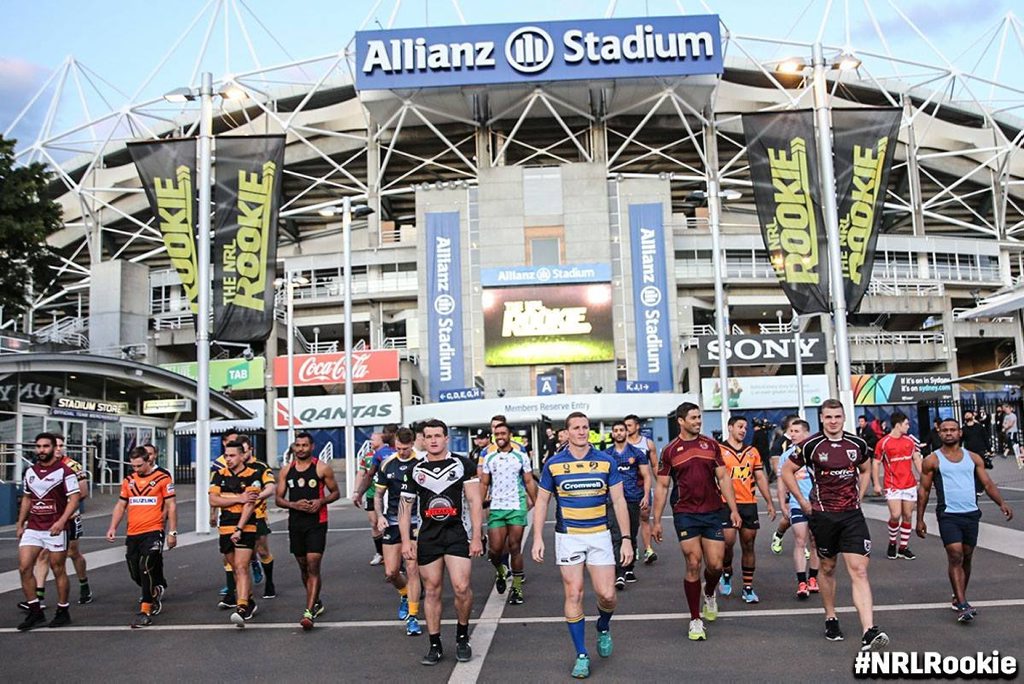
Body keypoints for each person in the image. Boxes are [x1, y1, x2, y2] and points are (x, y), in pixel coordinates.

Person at [780, 399, 889, 651]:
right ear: (822, 418)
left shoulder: (857, 444)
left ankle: (868, 630)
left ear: (843, 418)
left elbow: (865, 468)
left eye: (837, 416)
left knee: (859, 570)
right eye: (828, 417)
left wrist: (860, 496)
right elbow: (787, 471)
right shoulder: (811, 445)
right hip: (823, 515)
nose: (833, 421)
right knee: (827, 569)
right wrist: (802, 502)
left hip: (851, 516)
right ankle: (831, 617)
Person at [532, 412, 633, 679]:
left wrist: (626, 539)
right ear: (566, 432)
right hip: (568, 537)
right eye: (576, 428)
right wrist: (538, 538)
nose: (581, 431)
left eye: (585, 427)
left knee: (607, 595)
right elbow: (542, 502)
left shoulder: (605, 461)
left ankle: (602, 625)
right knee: (574, 594)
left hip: (600, 535)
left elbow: (620, 502)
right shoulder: (553, 464)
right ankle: (581, 654)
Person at [652, 403, 740, 642]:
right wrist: (656, 520)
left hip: (713, 512)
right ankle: (695, 619)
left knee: (715, 565)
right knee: (693, 563)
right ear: (681, 421)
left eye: (699, 417)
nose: (698, 421)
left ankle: (709, 593)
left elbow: (723, 477)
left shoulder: (711, 445)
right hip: (685, 513)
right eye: (693, 418)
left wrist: (733, 509)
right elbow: (661, 486)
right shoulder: (670, 451)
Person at [399, 419, 483, 666]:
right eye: (429, 436)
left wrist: (477, 536)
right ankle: (434, 644)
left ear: (447, 438)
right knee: (433, 589)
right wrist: (406, 541)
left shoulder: (463, 464)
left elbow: (475, 502)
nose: (434, 440)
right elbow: (405, 508)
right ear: (422, 440)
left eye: (438, 435)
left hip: (457, 534)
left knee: (461, 587)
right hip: (428, 537)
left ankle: (462, 637)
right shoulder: (414, 469)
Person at [916, 418, 1014, 623]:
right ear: (939, 433)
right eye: (945, 430)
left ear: (960, 433)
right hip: (948, 515)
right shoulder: (932, 460)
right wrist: (920, 519)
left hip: (970, 513)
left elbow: (987, 483)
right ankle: (962, 603)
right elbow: (924, 490)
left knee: (967, 556)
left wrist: (1001, 503)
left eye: (953, 430)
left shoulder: (973, 458)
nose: (949, 433)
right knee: (955, 555)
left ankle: (958, 595)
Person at [105, 446, 177, 628]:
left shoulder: (162, 478)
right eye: (133, 466)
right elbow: (121, 505)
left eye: (139, 466)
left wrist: (172, 532)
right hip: (133, 532)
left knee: (146, 566)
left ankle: (145, 609)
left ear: (148, 461)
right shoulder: (129, 481)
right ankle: (153, 590)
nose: (136, 469)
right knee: (135, 571)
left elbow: (171, 505)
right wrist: (113, 527)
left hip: (153, 530)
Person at [16, 433, 82, 631]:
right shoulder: (30, 472)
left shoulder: (65, 472)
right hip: (34, 527)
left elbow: (75, 498)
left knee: (57, 568)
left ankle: (63, 610)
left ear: (54, 448)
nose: (41, 450)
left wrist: (62, 521)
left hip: (55, 528)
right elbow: (27, 498)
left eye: (45, 446)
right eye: (38, 446)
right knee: (24, 568)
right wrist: (21, 523)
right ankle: (36, 611)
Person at [276, 431, 340, 630]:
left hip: (317, 522)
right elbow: (278, 499)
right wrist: (294, 505)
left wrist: (321, 501)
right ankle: (316, 601)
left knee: (313, 564)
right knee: (303, 565)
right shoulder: (287, 470)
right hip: (296, 523)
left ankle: (308, 611)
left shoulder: (322, 468)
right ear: (294, 447)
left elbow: (336, 492)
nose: (301, 449)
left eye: (305, 445)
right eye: (298, 445)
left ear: (312, 447)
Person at [209, 440, 273, 627]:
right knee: (234, 568)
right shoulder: (219, 475)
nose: (228, 459)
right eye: (226, 455)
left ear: (242, 455)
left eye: (232, 455)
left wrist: (239, 528)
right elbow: (213, 499)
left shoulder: (253, 474)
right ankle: (250, 601)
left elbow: (249, 504)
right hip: (225, 526)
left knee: (242, 565)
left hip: (246, 526)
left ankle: (242, 607)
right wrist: (238, 498)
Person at [26, 433, 92, 611]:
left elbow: (82, 492)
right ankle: (38, 596)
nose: (59, 448)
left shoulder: (72, 466)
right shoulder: (39, 467)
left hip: (69, 516)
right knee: (42, 555)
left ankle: (84, 583)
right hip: (46, 519)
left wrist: (66, 508)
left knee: (72, 552)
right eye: (57, 445)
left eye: (61, 445)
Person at [718, 416, 776, 603]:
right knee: (727, 542)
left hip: (748, 503)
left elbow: (760, 478)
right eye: (740, 426)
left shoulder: (752, 452)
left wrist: (769, 501)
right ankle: (726, 572)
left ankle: (748, 587)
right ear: (730, 428)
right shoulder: (719, 450)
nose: (743, 430)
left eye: (745, 427)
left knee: (748, 545)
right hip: (725, 503)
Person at [374, 427, 424, 634]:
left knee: (412, 568)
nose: (402, 452)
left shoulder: (421, 463)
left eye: (405, 448)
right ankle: (404, 594)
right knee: (391, 572)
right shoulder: (387, 464)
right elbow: (378, 495)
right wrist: (380, 516)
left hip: (414, 521)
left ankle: (413, 617)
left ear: (412, 443)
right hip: (393, 519)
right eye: (398, 448)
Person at [480, 422, 536, 605]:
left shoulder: (520, 456)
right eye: (497, 434)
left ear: (510, 435)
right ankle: (501, 570)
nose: (500, 437)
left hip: (516, 506)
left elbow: (528, 481)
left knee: (514, 547)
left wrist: (536, 502)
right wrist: (479, 504)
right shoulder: (489, 458)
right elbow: (484, 483)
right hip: (497, 507)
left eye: (503, 433)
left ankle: (517, 589)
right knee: (494, 550)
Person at [775, 419, 819, 599]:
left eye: (796, 431)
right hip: (796, 503)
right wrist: (782, 504)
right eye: (790, 431)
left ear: (806, 433)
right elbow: (781, 482)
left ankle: (813, 578)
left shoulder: (815, 452)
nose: (792, 434)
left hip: (817, 504)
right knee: (800, 540)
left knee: (815, 542)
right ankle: (802, 582)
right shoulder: (786, 456)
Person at [605, 420, 651, 589]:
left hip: (632, 499)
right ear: (612, 434)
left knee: (630, 534)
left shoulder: (636, 453)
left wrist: (646, 495)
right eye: (615, 430)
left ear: (626, 432)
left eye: (621, 430)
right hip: (612, 500)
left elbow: (646, 475)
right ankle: (620, 573)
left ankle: (629, 567)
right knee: (617, 535)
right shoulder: (606, 454)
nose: (618, 433)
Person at [872, 412, 923, 561]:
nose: (908, 426)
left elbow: (916, 459)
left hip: (909, 484)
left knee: (907, 515)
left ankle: (903, 547)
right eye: (906, 424)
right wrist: (876, 483)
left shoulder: (910, 441)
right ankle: (892, 542)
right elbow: (876, 463)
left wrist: (924, 477)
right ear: (898, 425)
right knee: (895, 514)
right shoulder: (883, 443)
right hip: (892, 484)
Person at [238, 435, 277, 598]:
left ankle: (270, 582)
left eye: (243, 451)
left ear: (250, 450)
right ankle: (241, 593)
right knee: (239, 554)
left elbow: (270, 487)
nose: (241, 455)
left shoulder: (260, 467)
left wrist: (258, 496)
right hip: (235, 516)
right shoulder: (231, 468)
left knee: (262, 550)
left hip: (257, 515)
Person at [352, 429, 396, 565]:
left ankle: (393, 557)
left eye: (374, 439)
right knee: (374, 523)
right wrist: (356, 492)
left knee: (390, 524)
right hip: (371, 493)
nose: (371, 442)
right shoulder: (368, 456)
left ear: (382, 440)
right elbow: (362, 474)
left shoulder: (392, 453)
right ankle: (380, 553)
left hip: (387, 494)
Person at [624, 414, 659, 566]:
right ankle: (632, 548)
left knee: (644, 517)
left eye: (629, 426)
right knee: (628, 521)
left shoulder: (647, 443)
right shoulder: (622, 445)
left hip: (642, 486)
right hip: (626, 489)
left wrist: (661, 484)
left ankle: (648, 549)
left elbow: (655, 465)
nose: (626, 429)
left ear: (637, 426)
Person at [768, 414, 801, 554]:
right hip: (789, 485)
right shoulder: (780, 444)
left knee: (807, 517)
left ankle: (804, 544)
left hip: (804, 485)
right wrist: (785, 485)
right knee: (789, 517)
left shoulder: (804, 441)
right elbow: (778, 468)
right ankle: (778, 535)